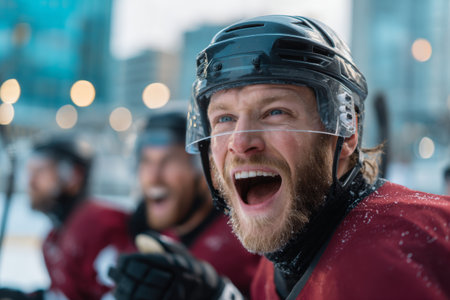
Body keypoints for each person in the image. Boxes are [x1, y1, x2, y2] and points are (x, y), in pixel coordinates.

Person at [111, 15, 450, 300]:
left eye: (275, 111)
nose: (240, 143)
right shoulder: (281, 256)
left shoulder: (419, 245)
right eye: (224, 119)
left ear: (346, 133)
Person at [112, 111, 260, 298]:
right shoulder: (157, 237)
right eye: (146, 161)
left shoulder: (248, 241)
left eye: (170, 161)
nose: (154, 177)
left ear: (205, 169)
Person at [0, 135, 136, 300]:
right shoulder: (53, 237)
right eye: (29, 172)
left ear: (73, 175)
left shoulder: (101, 224)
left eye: (40, 171)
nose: (31, 182)